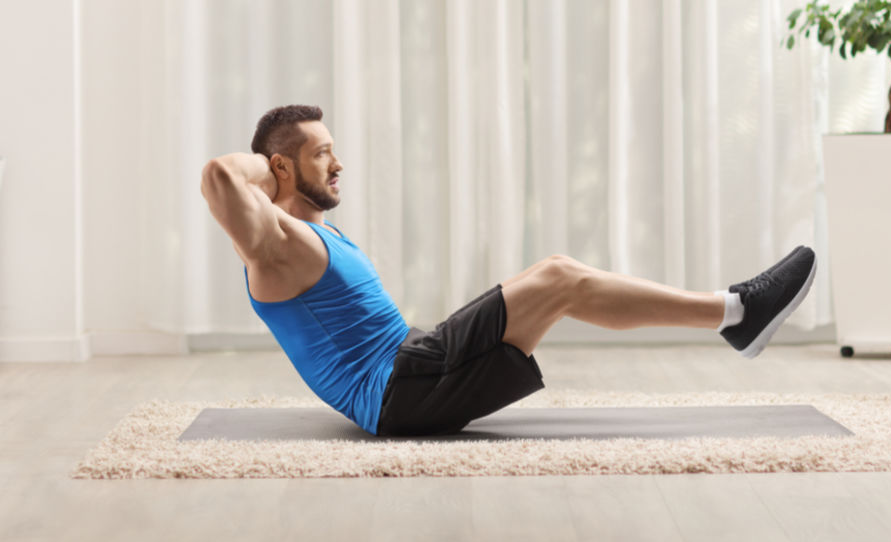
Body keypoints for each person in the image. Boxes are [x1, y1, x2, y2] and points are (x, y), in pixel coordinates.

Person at [200, 104, 817, 437]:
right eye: (322, 153)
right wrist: (269, 163)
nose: (339, 164)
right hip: (400, 391)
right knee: (558, 278)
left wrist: (287, 165)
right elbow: (219, 177)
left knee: (559, 277)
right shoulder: (277, 245)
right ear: (281, 168)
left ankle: (735, 316)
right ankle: (738, 312)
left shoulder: (311, 233)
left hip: (412, 366)